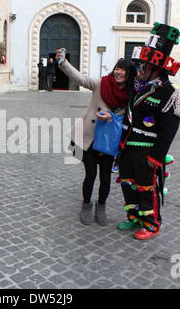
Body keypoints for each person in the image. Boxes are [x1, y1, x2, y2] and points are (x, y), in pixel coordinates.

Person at [117, 22, 180, 240]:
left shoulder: (170, 92)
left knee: (146, 187)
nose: (140, 69)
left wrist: (156, 157)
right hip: (127, 147)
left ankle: (151, 223)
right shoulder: (138, 86)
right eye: (141, 65)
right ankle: (135, 218)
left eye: (145, 66)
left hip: (146, 153)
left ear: (157, 69)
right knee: (128, 183)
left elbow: (169, 129)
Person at [56, 48, 136, 226]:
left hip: (109, 141)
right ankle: (86, 205)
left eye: (123, 70)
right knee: (91, 174)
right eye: (117, 68)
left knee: (105, 176)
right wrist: (63, 62)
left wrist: (113, 117)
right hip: (89, 137)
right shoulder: (102, 83)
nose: (119, 72)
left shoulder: (131, 94)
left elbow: (130, 116)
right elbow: (81, 79)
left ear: (129, 74)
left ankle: (101, 207)